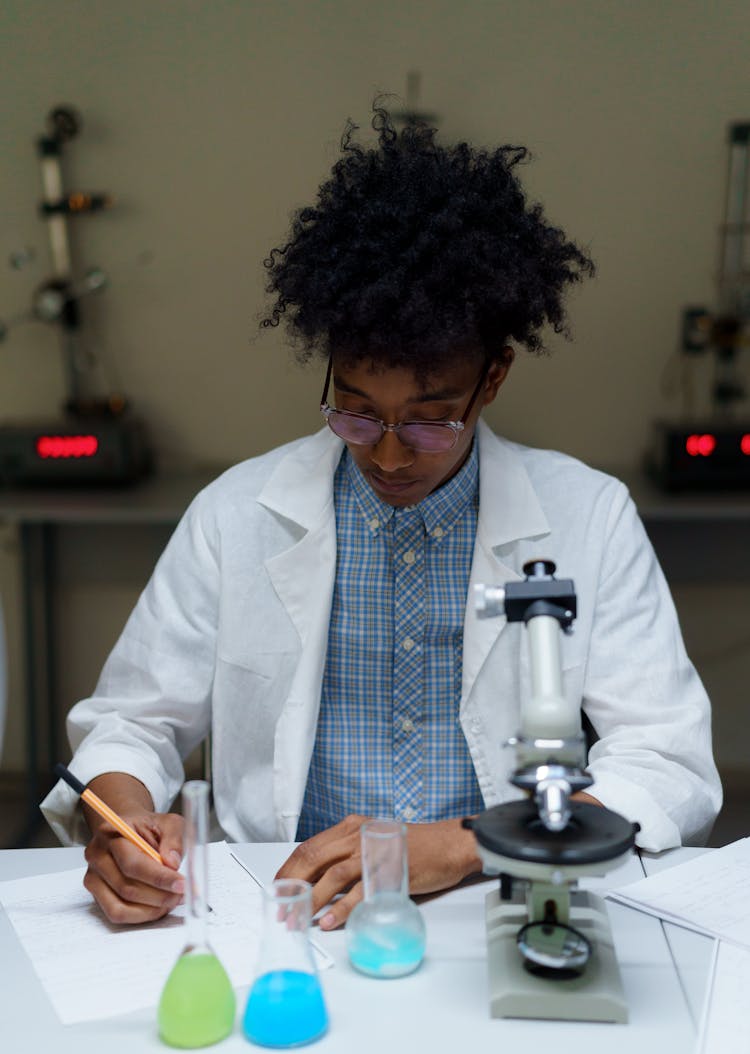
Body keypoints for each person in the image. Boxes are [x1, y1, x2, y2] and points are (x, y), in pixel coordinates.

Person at [41, 104, 721, 926]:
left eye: (432, 419)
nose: (391, 454)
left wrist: (468, 841)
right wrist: (118, 820)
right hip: (283, 906)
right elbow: (133, 719)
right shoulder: (235, 515)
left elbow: (666, 762)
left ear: (494, 378)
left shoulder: (589, 516)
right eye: (357, 413)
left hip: (495, 899)